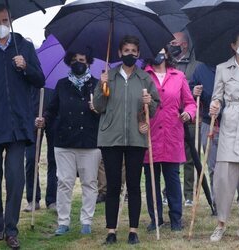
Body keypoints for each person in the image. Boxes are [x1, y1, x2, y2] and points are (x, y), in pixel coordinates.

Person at [93, 35, 160, 245]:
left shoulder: (145, 79)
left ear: (138, 54)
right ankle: (111, 231)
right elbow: (98, 106)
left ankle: (133, 230)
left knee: (133, 185)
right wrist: (102, 87)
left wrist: (150, 103)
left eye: (134, 51)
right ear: (119, 53)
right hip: (110, 137)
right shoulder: (108, 76)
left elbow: (155, 107)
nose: (130, 54)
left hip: (136, 137)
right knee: (113, 185)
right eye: (126, 50)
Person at [35, 49, 101, 236]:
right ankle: (63, 222)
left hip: (90, 141)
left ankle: (86, 222)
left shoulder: (97, 85)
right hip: (64, 141)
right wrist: (44, 119)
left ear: (88, 62)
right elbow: (52, 109)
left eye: (81, 59)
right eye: (74, 60)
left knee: (90, 182)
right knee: (64, 182)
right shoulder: (61, 84)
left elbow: (106, 113)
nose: (77, 63)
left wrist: (97, 108)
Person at [0, 3, 45, 249]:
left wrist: (26, 67)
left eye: (5, 20)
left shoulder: (24, 46)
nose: (1, 26)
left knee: (15, 179)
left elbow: (40, 79)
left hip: (17, 126)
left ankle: (11, 230)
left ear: (11, 19)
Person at [142, 47, 196, 232]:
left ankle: (176, 219)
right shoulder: (143, 75)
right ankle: (155, 218)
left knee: (172, 178)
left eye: (161, 50)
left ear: (167, 53)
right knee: (151, 178)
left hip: (172, 134)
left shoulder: (178, 76)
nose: (158, 53)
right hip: (150, 133)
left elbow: (190, 102)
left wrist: (188, 113)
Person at [209, 29, 239, 242]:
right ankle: (221, 223)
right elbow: (217, 97)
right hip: (231, 125)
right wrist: (215, 105)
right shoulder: (222, 69)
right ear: (233, 45)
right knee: (223, 178)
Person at [169, 32, 199, 206]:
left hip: (190, 116)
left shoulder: (196, 64)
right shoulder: (168, 64)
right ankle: (169, 192)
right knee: (172, 156)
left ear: (185, 45)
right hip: (172, 117)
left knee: (189, 157)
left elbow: (198, 84)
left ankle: (189, 194)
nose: (171, 45)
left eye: (174, 42)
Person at [190, 63, 220, 215]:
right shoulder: (200, 69)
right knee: (213, 166)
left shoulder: (236, 66)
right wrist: (194, 91)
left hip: (234, 122)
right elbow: (189, 91)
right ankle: (217, 204)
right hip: (209, 122)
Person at [24, 87, 57, 212]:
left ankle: (52, 199)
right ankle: (33, 199)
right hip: (32, 113)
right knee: (31, 159)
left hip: (53, 114)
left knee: (54, 159)